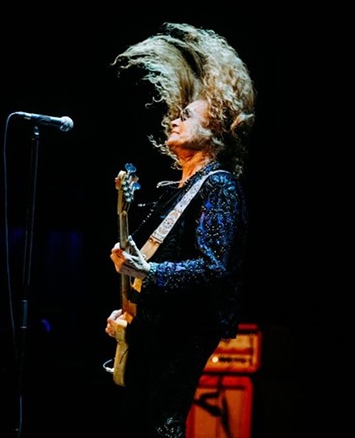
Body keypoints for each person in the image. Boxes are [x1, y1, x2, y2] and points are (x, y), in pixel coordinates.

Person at [104, 22, 256, 438]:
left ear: (217, 127)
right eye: (177, 111)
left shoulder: (218, 185)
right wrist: (133, 307)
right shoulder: (176, 190)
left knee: (161, 426)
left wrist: (148, 274)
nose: (176, 118)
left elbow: (212, 269)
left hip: (183, 333)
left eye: (188, 114)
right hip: (156, 328)